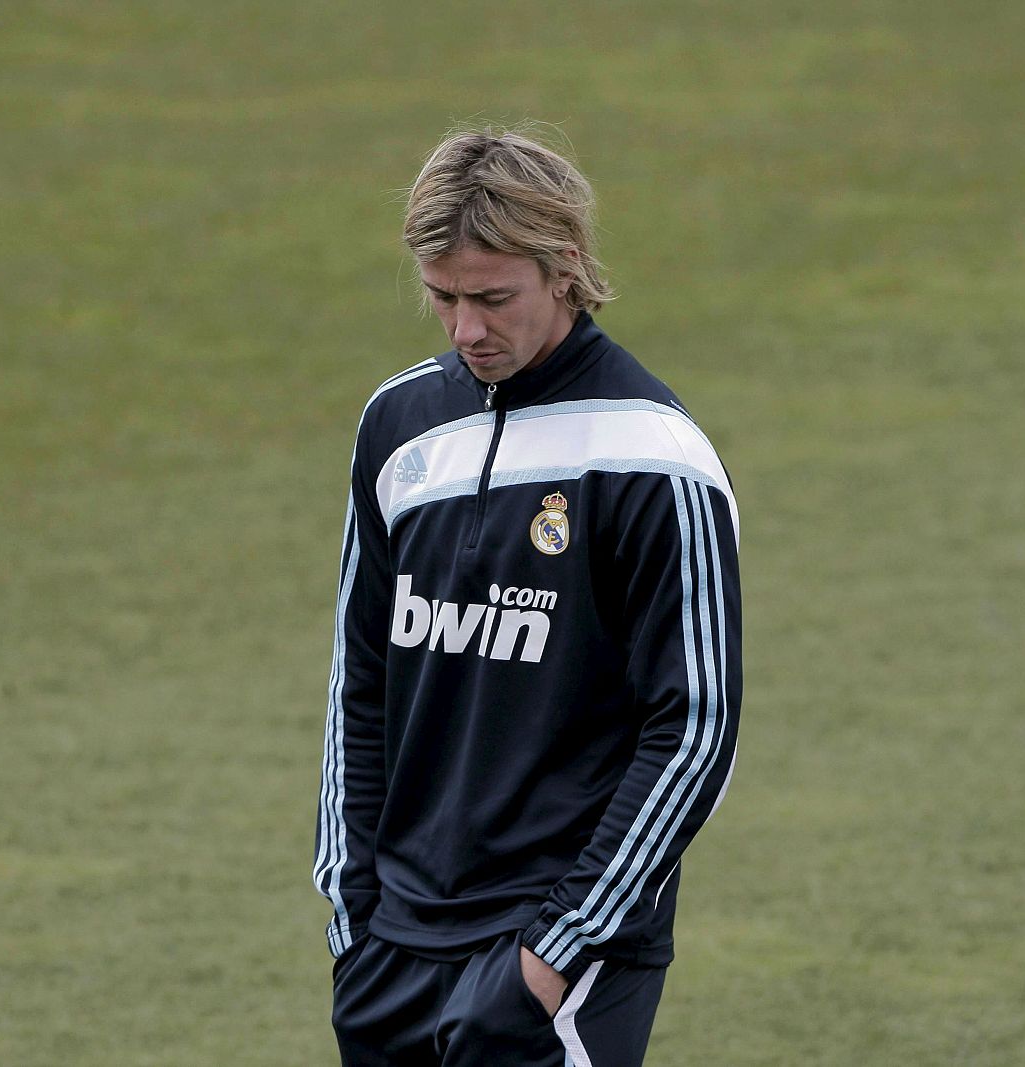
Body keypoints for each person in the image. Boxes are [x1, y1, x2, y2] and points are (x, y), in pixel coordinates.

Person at [313, 127, 741, 1066]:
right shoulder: (398, 429)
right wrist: (354, 921)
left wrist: (551, 955)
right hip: (396, 946)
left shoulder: (652, 457)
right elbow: (362, 683)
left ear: (566, 268)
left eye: (493, 298)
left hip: (550, 955)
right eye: (443, 298)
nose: (467, 330)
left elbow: (697, 730)